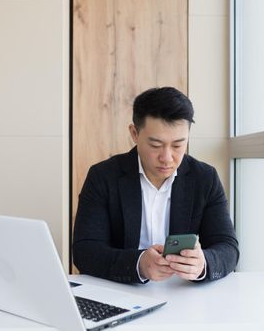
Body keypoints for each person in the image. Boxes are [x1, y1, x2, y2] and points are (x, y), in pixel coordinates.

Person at [73, 87, 239, 284]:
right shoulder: (103, 177)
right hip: (123, 290)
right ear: (134, 133)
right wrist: (138, 264)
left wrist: (204, 264)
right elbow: (85, 251)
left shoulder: (205, 178)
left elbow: (228, 247)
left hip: (184, 292)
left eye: (178, 145)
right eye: (155, 145)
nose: (167, 158)